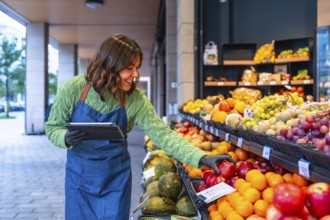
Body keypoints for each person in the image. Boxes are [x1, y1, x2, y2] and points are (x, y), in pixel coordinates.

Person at [44, 34, 234, 220]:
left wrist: (202, 157)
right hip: (80, 180)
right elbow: (53, 127)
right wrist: (64, 138)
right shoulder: (75, 88)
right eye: (129, 68)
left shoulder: (135, 100)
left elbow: (163, 135)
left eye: (137, 68)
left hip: (115, 180)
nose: (135, 75)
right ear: (110, 66)